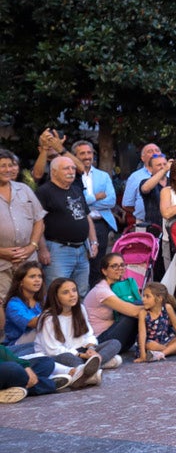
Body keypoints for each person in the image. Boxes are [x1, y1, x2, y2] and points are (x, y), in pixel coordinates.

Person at [35, 277, 120, 382]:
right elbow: (53, 350)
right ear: (56, 296)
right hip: (60, 355)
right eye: (65, 292)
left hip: (81, 350)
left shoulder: (80, 308)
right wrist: (81, 355)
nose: (72, 295)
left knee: (115, 343)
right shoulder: (48, 317)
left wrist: (91, 349)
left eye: (74, 290)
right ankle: (92, 365)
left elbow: (88, 334)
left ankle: (89, 366)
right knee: (69, 358)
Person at [35, 156, 98, 293]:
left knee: (81, 291)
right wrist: (42, 249)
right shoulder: (44, 191)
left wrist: (93, 242)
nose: (71, 171)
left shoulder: (76, 189)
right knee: (57, 292)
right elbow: (37, 222)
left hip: (81, 249)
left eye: (73, 168)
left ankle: (78, 315)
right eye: (66, 168)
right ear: (54, 171)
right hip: (57, 250)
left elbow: (87, 217)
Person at [0, 149, 45, 299]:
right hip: (2, 263)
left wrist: (32, 246)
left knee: (30, 300)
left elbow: (39, 220)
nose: (8, 170)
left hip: (28, 260)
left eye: (10, 165)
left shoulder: (24, 189)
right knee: (3, 302)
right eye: (2, 166)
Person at [72, 141, 117, 286]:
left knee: (98, 265)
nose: (87, 156)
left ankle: (94, 298)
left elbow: (111, 201)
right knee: (80, 263)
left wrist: (86, 202)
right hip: (79, 224)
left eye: (89, 152)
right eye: (82, 153)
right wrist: (95, 197)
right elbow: (75, 202)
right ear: (74, 156)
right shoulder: (71, 175)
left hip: (100, 225)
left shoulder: (103, 176)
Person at [83, 253, 143, 352]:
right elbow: (133, 312)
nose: (120, 268)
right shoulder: (101, 290)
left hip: (120, 339)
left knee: (138, 304)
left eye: (122, 265)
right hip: (101, 342)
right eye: (114, 266)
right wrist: (160, 307)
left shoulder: (122, 285)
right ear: (104, 271)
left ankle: (154, 342)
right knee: (132, 312)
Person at [134, 282, 176, 361]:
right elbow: (142, 334)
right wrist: (142, 355)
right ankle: (174, 351)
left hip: (165, 339)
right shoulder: (144, 313)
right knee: (150, 345)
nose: (143, 299)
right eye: (143, 296)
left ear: (159, 298)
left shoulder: (167, 308)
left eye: (147, 296)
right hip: (151, 342)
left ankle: (162, 353)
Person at [3, 262, 45, 353]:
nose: (37, 280)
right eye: (32, 277)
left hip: (40, 343)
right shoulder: (13, 304)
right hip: (16, 347)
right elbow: (32, 323)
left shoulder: (43, 300)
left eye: (40, 276)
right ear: (21, 282)